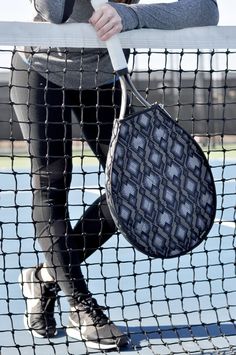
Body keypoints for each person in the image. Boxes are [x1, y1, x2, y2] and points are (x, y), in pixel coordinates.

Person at [12, 0, 219, 350]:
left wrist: (131, 15)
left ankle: (46, 276)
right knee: (52, 182)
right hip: (40, 70)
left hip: (103, 77)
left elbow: (207, 10)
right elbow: (53, 10)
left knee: (132, 191)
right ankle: (80, 307)